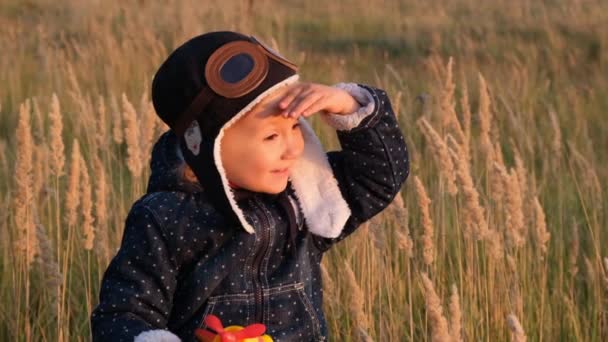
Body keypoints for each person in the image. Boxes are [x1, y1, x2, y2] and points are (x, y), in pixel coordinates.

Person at [91, 31, 409, 342]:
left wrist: (350, 104)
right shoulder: (166, 218)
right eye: (271, 136)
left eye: (296, 126)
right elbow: (124, 313)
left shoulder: (302, 199)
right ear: (209, 147)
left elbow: (378, 177)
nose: (292, 149)